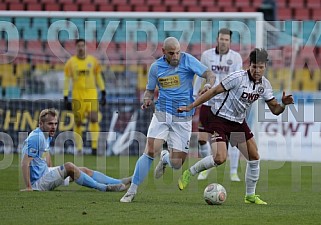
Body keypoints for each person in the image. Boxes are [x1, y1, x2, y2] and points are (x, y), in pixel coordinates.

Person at [177, 48, 294, 205]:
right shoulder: (237, 77)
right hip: (219, 119)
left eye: (261, 67)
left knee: (254, 157)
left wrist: (283, 105)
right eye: (254, 66)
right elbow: (213, 92)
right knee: (220, 158)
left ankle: (250, 196)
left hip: (238, 123)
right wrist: (191, 106)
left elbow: (275, 110)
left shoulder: (265, 85)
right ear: (249, 65)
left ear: (265, 66)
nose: (257, 70)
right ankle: (189, 172)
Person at [120, 37, 216, 203]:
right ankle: (131, 191)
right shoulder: (156, 67)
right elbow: (149, 91)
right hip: (163, 113)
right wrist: (147, 99)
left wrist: (208, 85)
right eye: (172, 53)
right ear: (164, 52)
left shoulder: (187, 60)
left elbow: (209, 74)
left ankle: (165, 158)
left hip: (183, 116)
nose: (176, 56)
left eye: (178, 52)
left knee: (177, 163)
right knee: (150, 149)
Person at [20, 108, 131, 192]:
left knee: (83, 170)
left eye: (55, 123)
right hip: (37, 184)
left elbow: (46, 155)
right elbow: (25, 162)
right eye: (50, 124)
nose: (53, 126)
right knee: (69, 167)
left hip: (45, 175)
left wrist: (52, 172)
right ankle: (104, 188)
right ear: (41, 124)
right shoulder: (36, 138)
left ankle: (119, 182)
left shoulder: (45, 134)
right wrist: (29, 187)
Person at [193, 28, 243, 181]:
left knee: (233, 138)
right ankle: (205, 168)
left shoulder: (236, 58)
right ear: (217, 39)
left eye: (226, 40)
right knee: (202, 138)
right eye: (221, 39)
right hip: (208, 101)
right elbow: (201, 75)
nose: (223, 42)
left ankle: (233, 171)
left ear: (230, 41)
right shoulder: (206, 55)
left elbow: (238, 80)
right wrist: (195, 96)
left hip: (227, 104)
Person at [63, 38, 106, 155]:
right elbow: (67, 80)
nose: (81, 48)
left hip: (92, 94)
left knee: (93, 118)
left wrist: (103, 91)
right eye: (79, 46)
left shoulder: (93, 61)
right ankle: (79, 147)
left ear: (86, 47)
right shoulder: (71, 63)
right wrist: (66, 96)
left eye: (83, 46)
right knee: (78, 122)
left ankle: (94, 147)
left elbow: (98, 76)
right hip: (78, 96)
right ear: (76, 48)